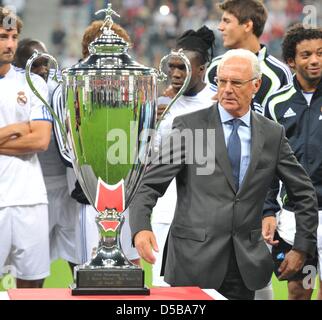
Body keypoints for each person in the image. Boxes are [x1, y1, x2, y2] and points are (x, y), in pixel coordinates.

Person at [129, 48, 318, 300]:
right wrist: (140, 228)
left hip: (244, 267)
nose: (227, 89)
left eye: (236, 83)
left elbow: (304, 192)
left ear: (256, 85)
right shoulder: (189, 126)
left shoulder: (272, 134)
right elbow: (150, 185)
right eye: (222, 81)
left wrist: (302, 247)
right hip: (192, 261)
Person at [52, 19, 140, 266]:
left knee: (131, 265)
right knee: (89, 268)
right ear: (90, 50)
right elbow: (66, 149)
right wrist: (92, 174)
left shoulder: (128, 83)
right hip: (89, 192)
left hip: (125, 191)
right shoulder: (68, 84)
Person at [151, 26, 216, 286]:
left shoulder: (217, 102)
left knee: (204, 287)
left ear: (202, 69)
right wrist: (152, 124)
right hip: (166, 207)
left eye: (183, 68)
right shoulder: (160, 104)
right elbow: (150, 158)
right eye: (173, 67)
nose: (176, 74)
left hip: (206, 210)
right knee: (163, 287)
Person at [13, 38, 83, 271]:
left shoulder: (59, 91)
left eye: (46, 64)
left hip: (65, 188)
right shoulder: (12, 93)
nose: (43, 70)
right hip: (30, 189)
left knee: (77, 256)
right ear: (19, 66)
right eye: (36, 65)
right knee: (27, 263)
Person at [264, 24, 322, 300]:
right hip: (294, 214)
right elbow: (266, 163)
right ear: (291, 61)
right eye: (306, 54)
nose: (315, 60)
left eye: (321, 53)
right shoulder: (276, 103)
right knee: (298, 291)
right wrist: (268, 210)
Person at [0, 7, 52, 288]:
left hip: (29, 199)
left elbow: (41, 140)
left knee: (32, 284)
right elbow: (30, 135)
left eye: (13, 36)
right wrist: (18, 128)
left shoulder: (32, 83)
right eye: (2, 37)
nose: (10, 44)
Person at [205, 0, 292, 114]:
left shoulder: (279, 73)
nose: (220, 27)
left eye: (227, 21)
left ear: (247, 25)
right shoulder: (215, 66)